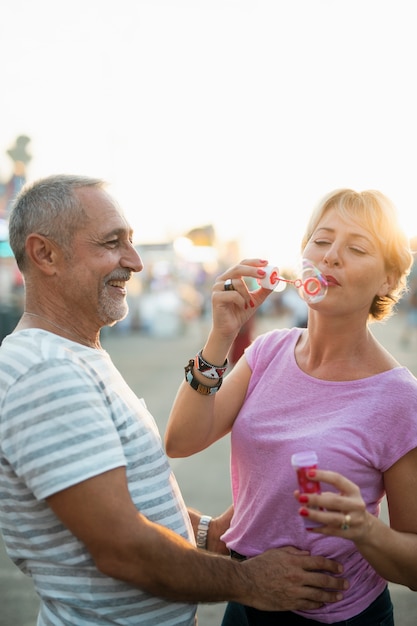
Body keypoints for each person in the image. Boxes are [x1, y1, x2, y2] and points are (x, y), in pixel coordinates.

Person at [0, 175, 348, 626]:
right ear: (45, 253)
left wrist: (205, 532)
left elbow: (116, 497)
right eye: (112, 243)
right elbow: (123, 550)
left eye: (132, 241)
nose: (136, 262)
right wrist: (252, 583)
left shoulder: (74, 354)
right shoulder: (45, 371)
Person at [165, 188, 417, 625]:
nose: (331, 256)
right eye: (321, 241)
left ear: (388, 280)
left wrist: (365, 530)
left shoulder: (399, 398)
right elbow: (182, 440)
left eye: (356, 248)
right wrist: (221, 336)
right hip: (245, 597)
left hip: (339, 618)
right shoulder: (268, 351)